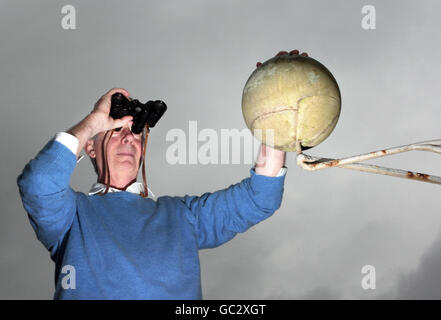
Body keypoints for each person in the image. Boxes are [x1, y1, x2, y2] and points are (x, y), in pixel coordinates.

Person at [17, 50, 304, 299]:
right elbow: (38, 183)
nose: (129, 139)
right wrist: (93, 122)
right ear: (90, 148)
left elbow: (260, 197)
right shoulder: (72, 216)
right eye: (116, 131)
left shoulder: (181, 216)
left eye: (136, 133)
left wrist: (274, 108)